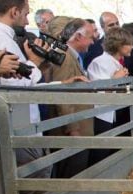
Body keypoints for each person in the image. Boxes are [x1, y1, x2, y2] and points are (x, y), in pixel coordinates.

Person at [0, 0, 85, 194]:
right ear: (14, 12)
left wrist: (59, 83)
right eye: (25, 14)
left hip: (6, 125)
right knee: (32, 186)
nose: (27, 19)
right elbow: (14, 89)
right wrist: (35, 62)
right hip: (13, 127)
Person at [48, 17, 97, 177]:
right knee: (71, 176)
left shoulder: (71, 56)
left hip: (79, 129)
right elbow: (62, 95)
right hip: (71, 134)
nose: (92, 42)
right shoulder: (64, 57)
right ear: (78, 37)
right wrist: (73, 129)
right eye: (90, 37)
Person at [87, 27, 131, 163]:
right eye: (128, 44)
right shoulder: (99, 62)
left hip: (113, 114)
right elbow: (99, 91)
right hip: (101, 116)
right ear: (118, 45)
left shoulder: (116, 63)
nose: (132, 47)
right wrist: (116, 80)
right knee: (101, 154)